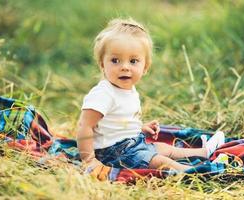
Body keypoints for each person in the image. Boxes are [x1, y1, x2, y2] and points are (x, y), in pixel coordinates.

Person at [76, 18, 224, 172]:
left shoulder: (129, 90)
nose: (125, 67)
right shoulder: (103, 94)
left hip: (132, 144)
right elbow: (84, 125)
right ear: (102, 64)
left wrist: (141, 128)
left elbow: (118, 123)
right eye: (115, 60)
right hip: (111, 153)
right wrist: (89, 160)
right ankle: (191, 172)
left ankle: (203, 152)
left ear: (145, 67)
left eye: (133, 61)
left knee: (164, 148)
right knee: (157, 160)